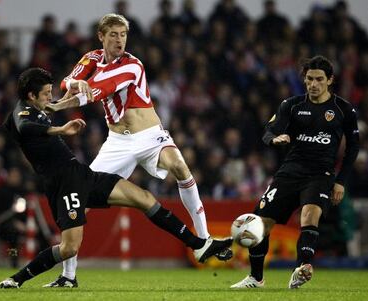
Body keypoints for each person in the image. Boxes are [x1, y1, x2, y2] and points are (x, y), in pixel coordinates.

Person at [0, 67, 232, 289]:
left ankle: (199, 245)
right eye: (47, 94)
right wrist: (59, 130)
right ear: (31, 95)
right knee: (69, 248)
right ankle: (17, 279)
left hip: (81, 175)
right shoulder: (23, 113)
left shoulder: (32, 110)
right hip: (64, 184)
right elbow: (24, 126)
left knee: (144, 198)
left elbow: (14, 125)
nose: (51, 97)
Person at [43, 13, 231, 287]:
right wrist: (73, 85)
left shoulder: (132, 65)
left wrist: (62, 103)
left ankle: (203, 240)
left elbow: (96, 90)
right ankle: (68, 276)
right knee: (77, 198)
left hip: (149, 135)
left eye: (123, 35)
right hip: (118, 142)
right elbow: (67, 82)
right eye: (113, 35)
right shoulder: (92, 59)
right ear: (101, 37)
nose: (119, 40)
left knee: (179, 166)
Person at [230, 55, 359, 289]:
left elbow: (353, 147)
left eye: (319, 79)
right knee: (260, 224)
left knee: (309, 216)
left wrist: (340, 181)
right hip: (290, 172)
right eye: (309, 79)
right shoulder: (291, 105)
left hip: (321, 174)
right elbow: (269, 131)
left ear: (330, 80)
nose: (313, 84)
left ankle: (301, 269)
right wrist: (274, 139)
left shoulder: (343, 109)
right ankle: (256, 278)